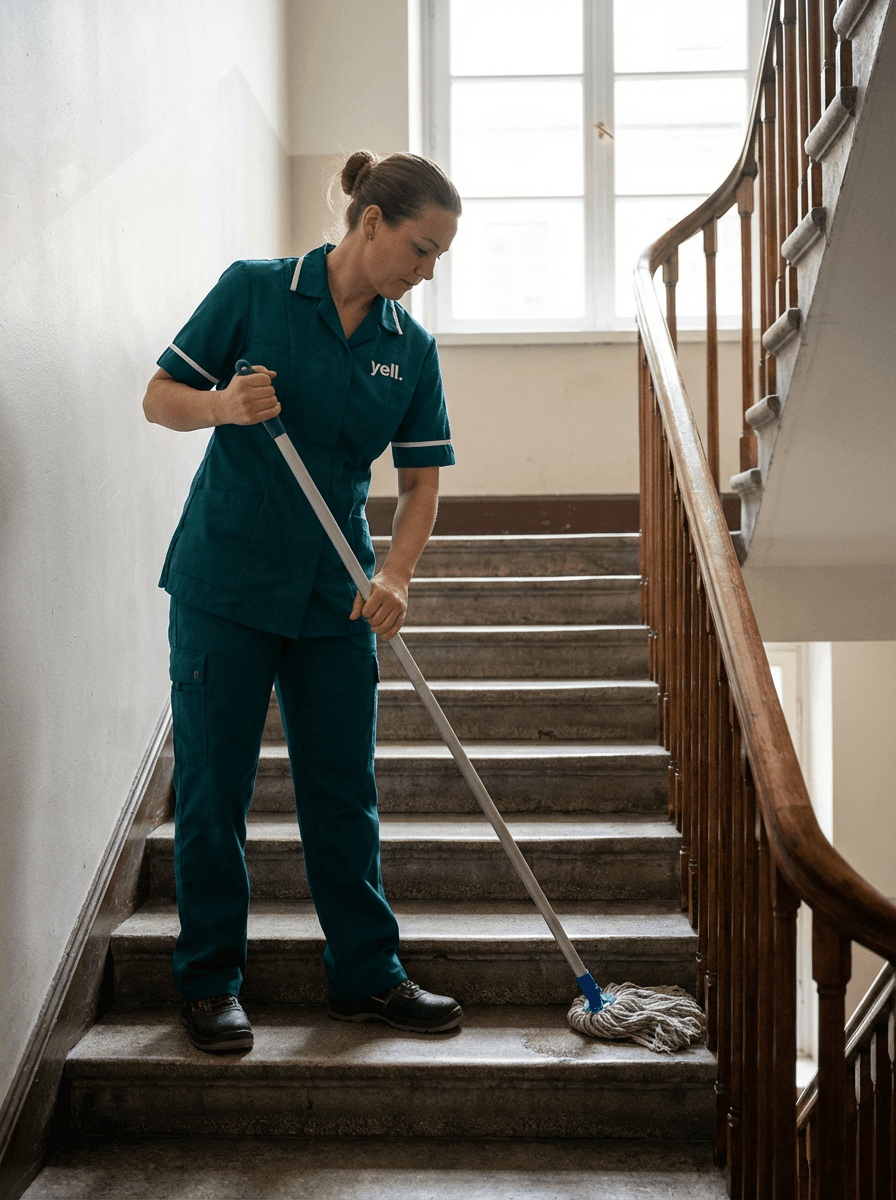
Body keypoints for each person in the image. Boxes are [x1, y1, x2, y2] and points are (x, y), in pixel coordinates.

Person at [142, 150, 463, 1053]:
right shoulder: (253, 290)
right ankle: (209, 984)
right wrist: (222, 407)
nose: (427, 270)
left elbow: (422, 484)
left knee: (343, 792)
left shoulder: (412, 349)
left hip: (337, 595)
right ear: (370, 222)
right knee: (214, 791)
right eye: (421, 247)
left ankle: (365, 976)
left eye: (439, 256)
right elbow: (157, 397)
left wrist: (396, 575)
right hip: (226, 585)